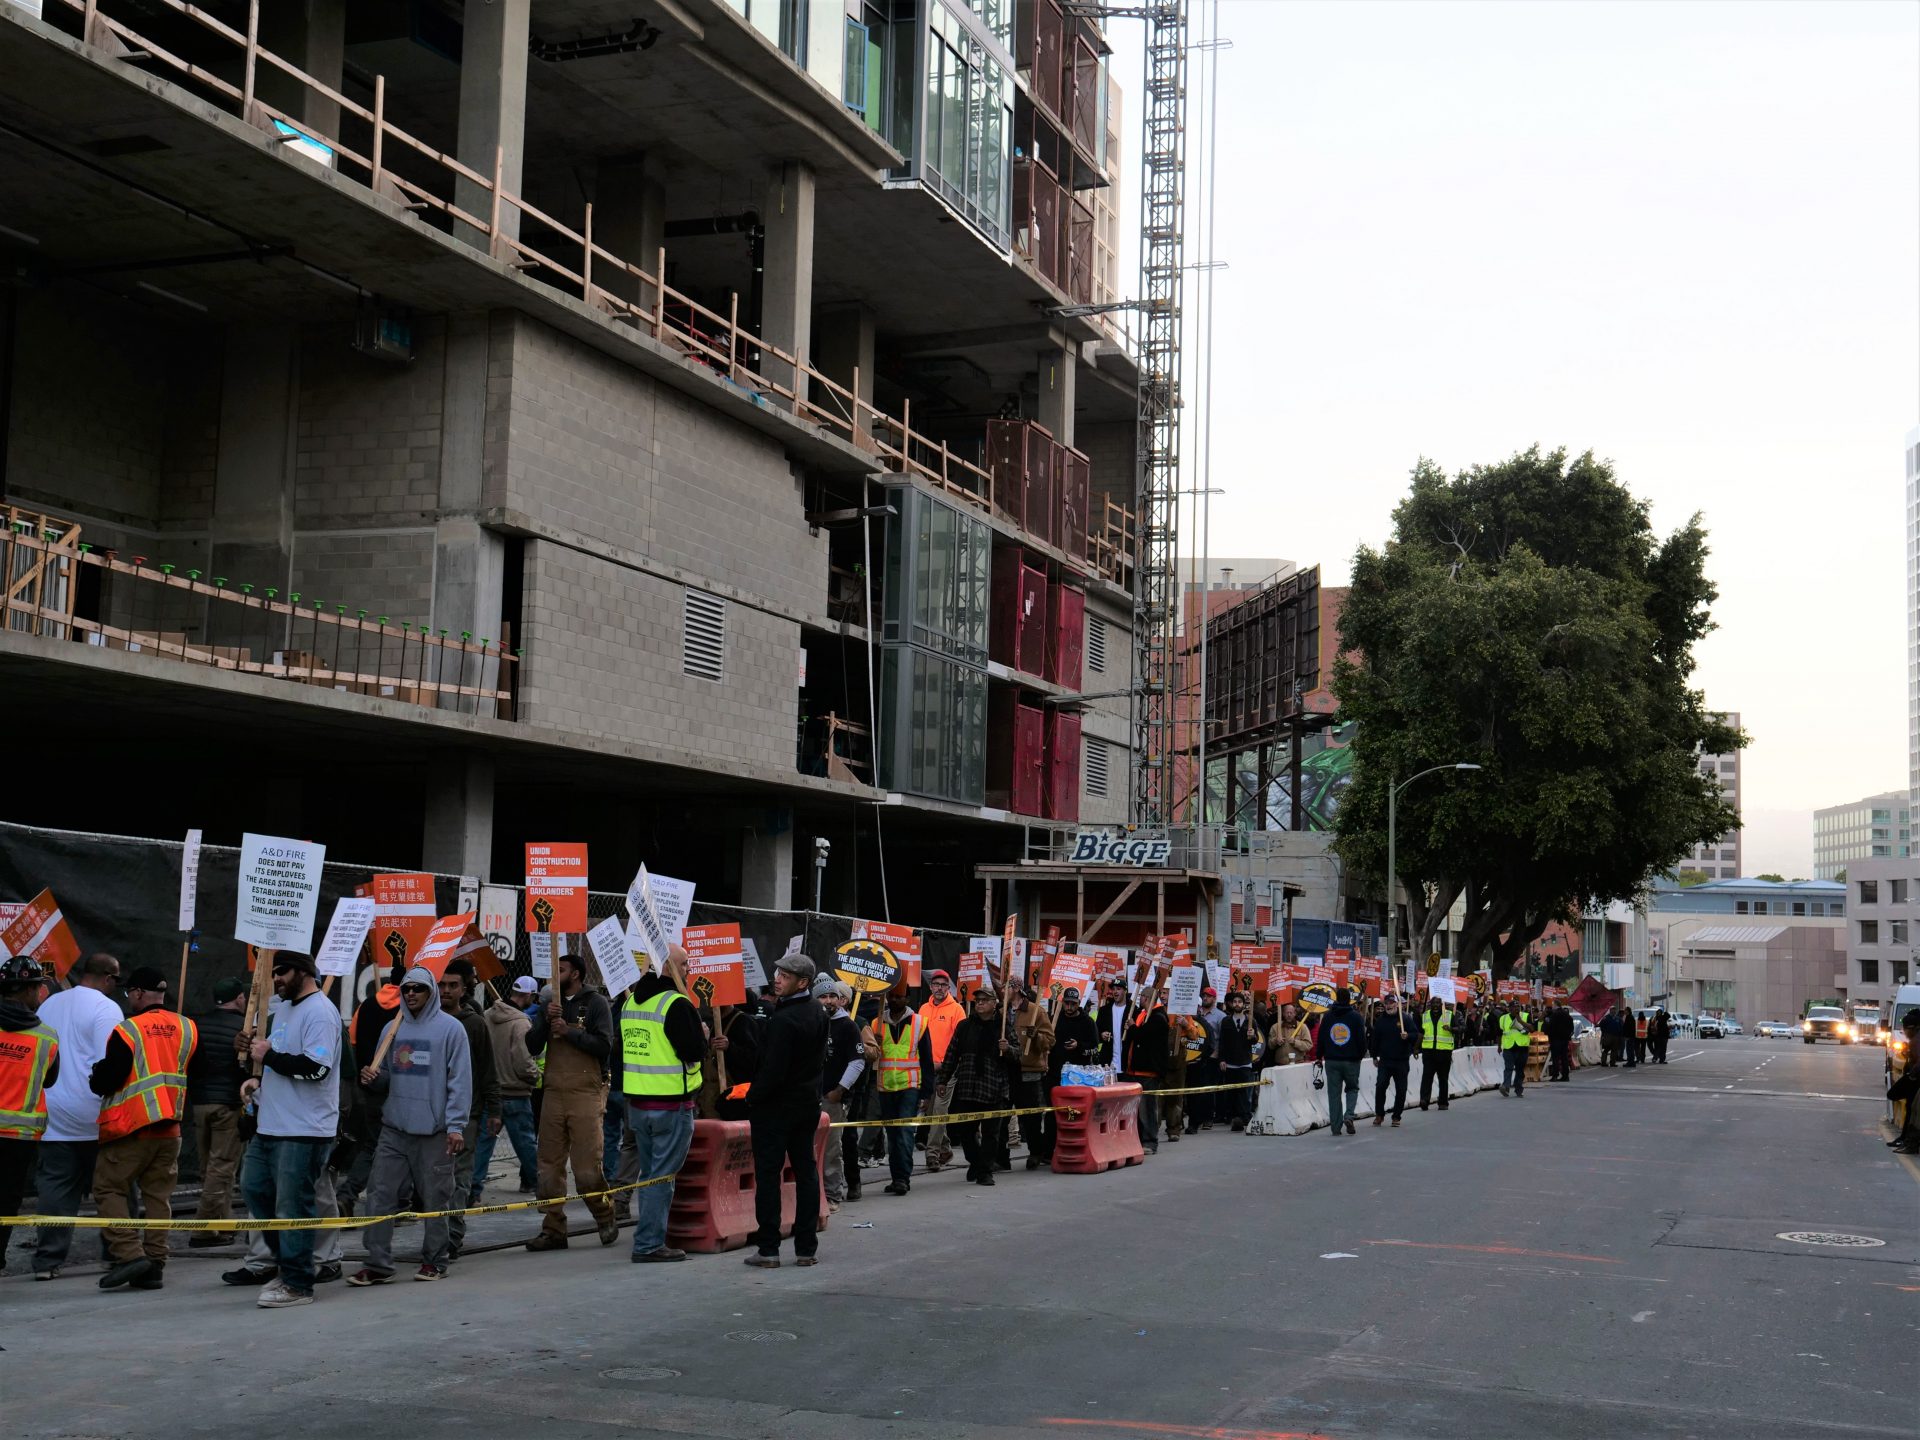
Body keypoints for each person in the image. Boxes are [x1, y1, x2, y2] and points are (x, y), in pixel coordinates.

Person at [232, 952, 342, 1307]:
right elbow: (271, 1059)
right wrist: (254, 1075)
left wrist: (269, 1056)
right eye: (273, 972)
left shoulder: (320, 1012)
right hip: (271, 1124)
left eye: (282, 972)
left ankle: (297, 1284)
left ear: (304, 972)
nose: (275, 979)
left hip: (304, 1129)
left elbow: (317, 1069)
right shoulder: (282, 1010)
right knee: (254, 1189)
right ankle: (290, 1265)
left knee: (293, 1207)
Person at [348, 965, 470, 1285]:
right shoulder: (392, 1028)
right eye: (406, 989)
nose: (411, 994)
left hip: (435, 1132)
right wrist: (372, 1079)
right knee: (379, 1195)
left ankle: (435, 1260)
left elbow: (460, 1082)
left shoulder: (451, 1030)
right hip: (395, 1129)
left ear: (430, 993)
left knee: (435, 1200)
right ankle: (377, 1263)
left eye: (419, 989)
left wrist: (456, 1126)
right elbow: (386, 1077)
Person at [89, 966, 198, 1292]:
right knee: (158, 1198)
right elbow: (197, 1069)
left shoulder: (129, 1030)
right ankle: (154, 1265)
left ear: (137, 993)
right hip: (171, 1130)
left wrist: (97, 1075)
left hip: (132, 1128)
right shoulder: (187, 1027)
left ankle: (130, 1254)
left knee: (108, 1189)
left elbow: (109, 1079)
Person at [29, 951, 122, 1282]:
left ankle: (47, 1263)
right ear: (108, 979)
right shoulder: (106, 1008)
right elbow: (110, 1062)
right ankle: (118, 1254)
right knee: (114, 1187)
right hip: (94, 1112)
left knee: (55, 1187)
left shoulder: (49, 1004)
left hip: (52, 1109)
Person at [524, 953, 621, 1252]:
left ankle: (605, 1215)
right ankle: (553, 1229)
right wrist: (544, 1018)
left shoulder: (595, 1004)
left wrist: (570, 1031)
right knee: (549, 1167)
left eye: (561, 970)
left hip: (586, 1092)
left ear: (576, 974)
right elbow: (532, 1046)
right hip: (553, 1092)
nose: (556, 975)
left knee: (587, 1168)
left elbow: (605, 1045)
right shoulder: (548, 1005)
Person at [620, 947, 706, 1263]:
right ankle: (648, 1243)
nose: (688, 969)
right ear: (668, 967)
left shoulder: (630, 1002)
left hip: (639, 1105)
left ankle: (650, 1235)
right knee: (660, 1178)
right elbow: (693, 1051)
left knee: (650, 1175)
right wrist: (703, 1035)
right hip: (671, 1106)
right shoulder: (676, 1004)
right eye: (684, 964)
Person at [744, 952, 827, 1267]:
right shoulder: (817, 1012)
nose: (777, 979)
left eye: (786, 975)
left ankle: (769, 1249)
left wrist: (753, 1097)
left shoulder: (784, 1019)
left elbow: (773, 1071)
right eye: (777, 972)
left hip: (776, 1109)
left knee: (768, 1176)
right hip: (806, 1105)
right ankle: (806, 1248)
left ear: (802, 982)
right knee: (806, 1172)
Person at [0, 956, 60, 1264]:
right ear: (27, 991)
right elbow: (50, 1080)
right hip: (18, 1138)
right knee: (7, 1202)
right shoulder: (46, 1037)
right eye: (38, 987)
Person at [438, 961, 499, 1261]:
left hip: (466, 1115)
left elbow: (488, 1069)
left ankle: (452, 1236)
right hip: (431, 1115)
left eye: (453, 986)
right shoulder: (425, 1021)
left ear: (464, 989)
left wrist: (494, 1109)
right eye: (442, 985)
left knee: (459, 1178)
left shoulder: (473, 1024)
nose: (446, 991)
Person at [183, 976, 250, 1246]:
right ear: (238, 998)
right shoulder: (244, 1030)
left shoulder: (197, 1026)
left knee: (207, 1168)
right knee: (222, 1169)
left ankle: (223, 1226)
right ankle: (203, 1229)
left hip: (200, 1104)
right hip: (228, 1105)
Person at [337, 966, 402, 1214]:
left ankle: (349, 1195)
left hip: (369, 1087)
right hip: (399, 1090)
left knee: (372, 1145)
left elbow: (352, 1041)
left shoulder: (366, 1006)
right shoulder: (409, 1012)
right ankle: (388, 1203)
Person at [472, 975, 542, 1202]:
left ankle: (472, 1189)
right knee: (526, 1144)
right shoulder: (521, 1022)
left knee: (483, 1143)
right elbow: (522, 1060)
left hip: (490, 1092)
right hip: (515, 1093)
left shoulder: (487, 1016)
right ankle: (540, 1184)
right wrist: (536, 1075)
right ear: (529, 996)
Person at [936, 986, 1013, 1184]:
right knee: (966, 1133)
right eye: (977, 1000)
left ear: (994, 1004)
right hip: (967, 1088)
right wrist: (943, 1079)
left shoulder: (1003, 1027)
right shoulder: (964, 1026)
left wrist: (1009, 1049)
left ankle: (985, 1171)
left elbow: (1019, 1055)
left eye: (984, 1000)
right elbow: (952, 1054)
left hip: (993, 1088)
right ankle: (976, 1162)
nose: (979, 1003)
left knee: (991, 1135)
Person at [869, 986, 935, 1196]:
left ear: (907, 998)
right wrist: (874, 1046)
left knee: (905, 1133)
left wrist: (926, 1093)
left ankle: (902, 1178)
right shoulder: (876, 1023)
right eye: (892, 996)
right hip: (886, 1086)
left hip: (910, 1087)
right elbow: (872, 1059)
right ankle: (896, 1176)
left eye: (900, 997)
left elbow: (926, 1059)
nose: (895, 1000)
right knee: (892, 1134)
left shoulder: (919, 1023)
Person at [815, 978, 864, 1207]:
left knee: (832, 1149)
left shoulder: (848, 1026)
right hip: (809, 1097)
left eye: (832, 996)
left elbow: (857, 1062)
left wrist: (839, 1090)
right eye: (823, 996)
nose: (828, 1001)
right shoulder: (812, 1023)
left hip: (832, 1099)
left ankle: (832, 1195)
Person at [916, 971, 966, 1173]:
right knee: (930, 1112)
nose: (939, 988)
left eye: (943, 985)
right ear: (930, 986)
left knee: (939, 1112)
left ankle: (932, 1154)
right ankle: (945, 1148)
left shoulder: (957, 1010)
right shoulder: (923, 1009)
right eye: (936, 984)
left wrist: (945, 1064)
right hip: (927, 1071)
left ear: (948, 988)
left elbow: (960, 1042)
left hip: (948, 1071)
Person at [1044, 986, 1099, 1160]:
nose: (1069, 1007)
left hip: (1077, 1077)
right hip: (1055, 1074)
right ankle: (1048, 1151)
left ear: (1078, 1004)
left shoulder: (1087, 1022)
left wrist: (1079, 1047)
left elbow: (1094, 1049)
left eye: (1072, 1004)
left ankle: (1074, 1148)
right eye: (1066, 1003)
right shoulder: (1055, 1019)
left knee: (1075, 1115)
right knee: (1052, 1114)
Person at [1009, 986, 1055, 1168]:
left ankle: (1036, 1151)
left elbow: (1050, 1041)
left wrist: (1036, 1037)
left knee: (1030, 1116)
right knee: (1002, 1114)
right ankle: (1000, 1157)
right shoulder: (1001, 1010)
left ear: (1017, 989)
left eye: (1007, 987)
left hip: (1029, 1070)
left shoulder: (1036, 1012)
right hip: (1006, 1069)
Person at [1121, 984, 1169, 1154]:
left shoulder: (1158, 1018)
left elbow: (1145, 1036)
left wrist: (1133, 1028)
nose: (1139, 999)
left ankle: (1150, 1141)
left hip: (1148, 1071)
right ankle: (1139, 1138)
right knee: (1136, 1109)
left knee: (1147, 1109)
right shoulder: (1142, 1014)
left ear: (1147, 998)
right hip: (1135, 1070)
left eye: (1141, 996)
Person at [1312, 989, 1366, 1135]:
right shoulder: (1356, 1017)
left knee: (1334, 1094)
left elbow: (1321, 1038)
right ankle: (1349, 1116)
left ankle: (1336, 1128)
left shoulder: (1328, 1016)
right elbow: (1362, 1039)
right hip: (1351, 1060)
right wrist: (1360, 1055)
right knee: (1352, 1088)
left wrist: (1319, 1056)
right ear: (1349, 1000)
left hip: (1332, 1061)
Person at [1368, 992, 1417, 1127]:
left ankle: (1396, 1116)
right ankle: (1379, 1114)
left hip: (1401, 1060)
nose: (1389, 1006)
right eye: (1387, 1003)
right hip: (1385, 1060)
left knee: (1401, 1089)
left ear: (1397, 1004)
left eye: (1391, 1003)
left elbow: (1415, 1034)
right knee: (1380, 1086)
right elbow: (1375, 1040)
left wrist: (1407, 1036)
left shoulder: (1405, 1019)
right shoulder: (1381, 1021)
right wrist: (1374, 1055)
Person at [1215, 987, 1260, 1131]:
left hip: (1245, 1062)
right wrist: (1222, 1059)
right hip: (1230, 1063)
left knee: (1245, 1092)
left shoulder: (1250, 1021)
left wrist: (1252, 1035)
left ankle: (1245, 1116)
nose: (1237, 1004)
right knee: (1232, 1092)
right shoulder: (1226, 1021)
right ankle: (1234, 1117)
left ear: (1243, 1004)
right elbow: (1222, 1042)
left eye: (1239, 1001)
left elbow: (1255, 1041)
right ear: (1231, 1004)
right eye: (1234, 1001)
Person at [1886, 1010, 1920, 1155]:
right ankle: (1907, 1140)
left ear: (1911, 1028)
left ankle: (1910, 1143)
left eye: (1905, 1029)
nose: (1904, 1032)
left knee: (1914, 1112)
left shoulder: (1916, 1041)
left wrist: (1912, 1074)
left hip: (1916, 1081)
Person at [1417, 995, 1456, 1110]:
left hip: (1444, 1052)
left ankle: (1443, 1102)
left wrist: (1451, 1029)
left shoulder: (1449, 1016)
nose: (1435, 1006)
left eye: (1438, 1004)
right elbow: (1420, 1033)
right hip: (1428, 1052)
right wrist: (1415, 1047)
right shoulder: (1424, 1016)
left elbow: (1461, 1028)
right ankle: (1424, 1100)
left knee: (1443, 1078)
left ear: (1441, 1005)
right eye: (1433, 1003)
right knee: (1427, 1077)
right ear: (1430, 1004)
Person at [1266, 1001, 1313, 1069]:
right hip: (1280, 1065)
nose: (1289, 1015)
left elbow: (1309, 1045)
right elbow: (1270, 1045)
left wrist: (1295, 1042)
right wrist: (1276, 1041)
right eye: (1287, 1012)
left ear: (1295, 1014)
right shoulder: (1275, 1027)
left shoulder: (1302, 1027)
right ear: (1283, 1014)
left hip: (1298, 1064)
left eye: (1291, 1013)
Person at [1498, 1001, 1531, 1096]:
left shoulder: (1525, 1016)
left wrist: (1520, 1021)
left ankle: (1518, 1089)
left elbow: (1532, 1029)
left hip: (1522, 1047)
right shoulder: (1503, 1018)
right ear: (1509, 1008)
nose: (1517, 1008)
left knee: (1520, 1070)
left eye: (1518, 1006)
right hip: (1508, 1047)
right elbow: (1499, 1033)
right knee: (1508, 1067)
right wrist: (1499, 1046)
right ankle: (1505, 1087)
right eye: (1514, 1007)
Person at [1545, 1003, 1574, 1082]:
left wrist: (1549, 1036)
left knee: (1555, 1058)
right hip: (1564, 1040)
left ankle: (1555, 1075)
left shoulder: (1554, 1015)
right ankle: (1565, 1075)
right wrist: (1567, 1036)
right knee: (1564, 1058)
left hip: (1555, 1039)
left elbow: (1550, 1027)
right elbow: (1571, 1028)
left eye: (1553, 1005)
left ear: (1555, 1006)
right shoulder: (1567, 1016)